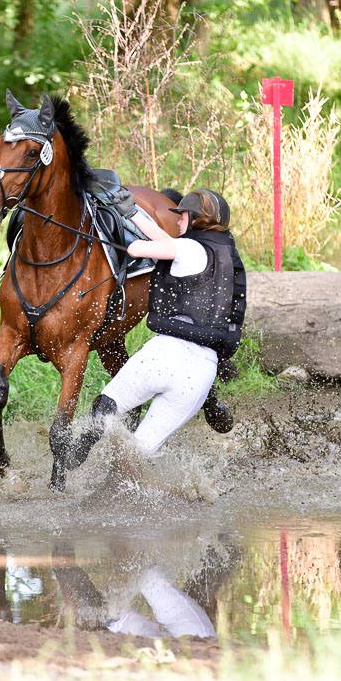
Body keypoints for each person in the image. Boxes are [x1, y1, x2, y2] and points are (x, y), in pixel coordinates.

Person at [65, 187, 246, 470]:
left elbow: (139, 248)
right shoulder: (226, 257)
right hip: (201, 375)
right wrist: (133, 213)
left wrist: (124, 222)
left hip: (168, 354)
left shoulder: (186, 247)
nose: (178, 222)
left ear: (196, 218)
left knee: (106, 407)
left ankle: (73, 458)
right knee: (136, 456)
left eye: (182, 216)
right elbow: (171, 243)